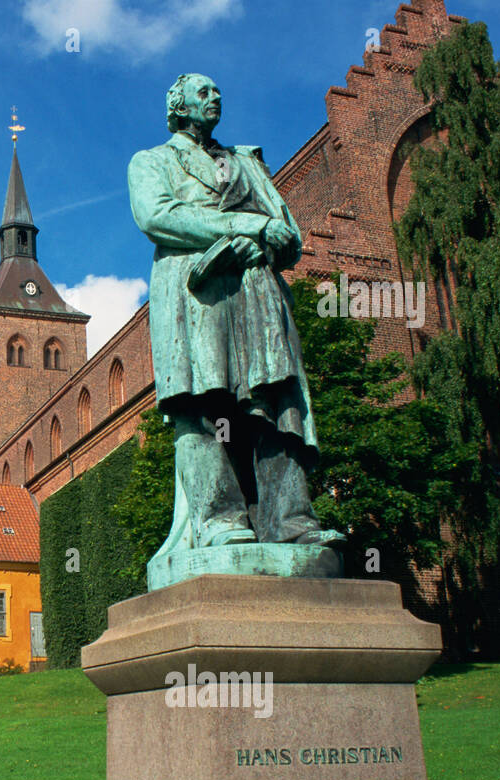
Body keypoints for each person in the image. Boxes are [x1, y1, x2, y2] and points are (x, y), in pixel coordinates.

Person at [128, 72, 345, 551]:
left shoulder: (246, 163)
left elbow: (287, 232)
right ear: (178, 106)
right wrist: (248, 225)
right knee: (201, 403)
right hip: (196, 293)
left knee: (275, 402)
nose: (215, 97)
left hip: (256, 290)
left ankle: (290, 519)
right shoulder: (152, 162)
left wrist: (274, 239)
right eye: (203, 92)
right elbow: (158, 217)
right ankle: (219, 519)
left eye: (218, 91)